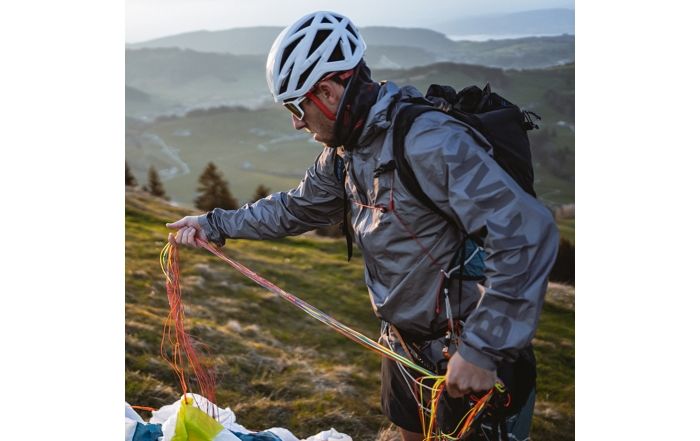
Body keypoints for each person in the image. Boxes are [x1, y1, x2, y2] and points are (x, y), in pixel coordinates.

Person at [167, 11, 559, 441]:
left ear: (328, 91)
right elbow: (294, 209)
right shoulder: (344, 153)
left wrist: (483, 350)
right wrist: (214, 224)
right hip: (403, 345)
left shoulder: (428, 141)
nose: (296, 121)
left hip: (468, 353)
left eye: (297, 107)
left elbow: (526, 235)